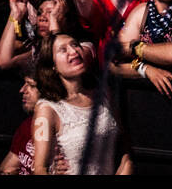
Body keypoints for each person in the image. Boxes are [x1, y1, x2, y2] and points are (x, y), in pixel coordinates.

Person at [32, 32, 132, 175]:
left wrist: (127, 166)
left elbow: (125, 147)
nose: (73, 51)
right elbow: (40, 169)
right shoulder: (47, 109)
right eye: (63, 49)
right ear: (52, 65)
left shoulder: (104, 94)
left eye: (75, 45)